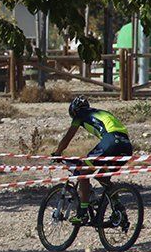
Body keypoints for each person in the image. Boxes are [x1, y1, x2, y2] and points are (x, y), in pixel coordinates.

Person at [51, 95, 132, 223]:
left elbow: (68, 137)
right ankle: (118, 208)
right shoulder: (102, 112)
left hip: (111, 141)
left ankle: (82, 213)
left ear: (73, 111)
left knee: (83, 172)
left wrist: (58, 152)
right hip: (126, 145)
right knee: (102, 177)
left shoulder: (80, 115)